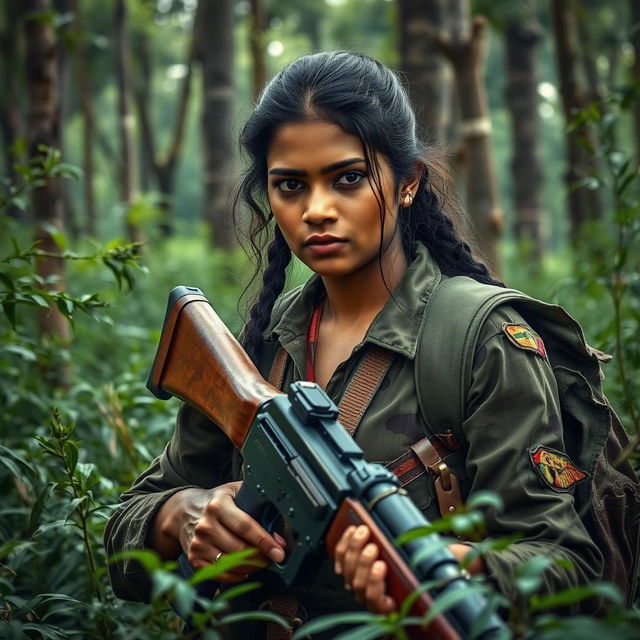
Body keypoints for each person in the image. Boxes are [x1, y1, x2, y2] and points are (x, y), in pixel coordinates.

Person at [104, 51, 603, 637]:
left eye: (349, 178)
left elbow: (567, 565)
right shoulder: (263, 345)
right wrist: (181, 518)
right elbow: (122, 540)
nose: (317, 210)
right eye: (289, 185)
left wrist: (459, 572)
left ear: (408, 182)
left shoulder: (482, 342)